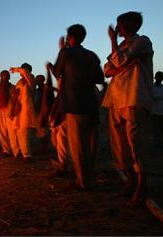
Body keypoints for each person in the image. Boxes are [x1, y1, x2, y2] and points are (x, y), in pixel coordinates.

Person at [101, 12, 153, 206]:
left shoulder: (142, 42)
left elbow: (117, 62)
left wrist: (114, 46)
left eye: (120, 24)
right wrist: (122, 66)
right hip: (115, 100)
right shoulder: (124, 47)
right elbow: (108, 69)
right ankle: (131, 181)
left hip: (134, 97)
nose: (117, 28)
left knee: (136, 143)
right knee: (120, 144)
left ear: (131, 25)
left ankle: (142, 185)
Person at [47, 24, 104, 190]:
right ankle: (88, 176)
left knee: (78, 146)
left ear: (70, 37)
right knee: (89, 144)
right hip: (91, 103)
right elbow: (100, 78)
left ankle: (83, 182)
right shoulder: (92, 55)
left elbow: (57, 73)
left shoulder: (66, 53)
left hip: (74, 104)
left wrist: (51, 66)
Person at [10, 63, 38, 161]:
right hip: (18, 110)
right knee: (18, 132)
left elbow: (24, 72)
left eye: (24, 70)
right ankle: (20, 153)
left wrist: (16, 69)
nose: (22, 72)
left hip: (26, 110)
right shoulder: (19, 82)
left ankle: (27, 155)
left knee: (24, 132)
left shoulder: (31, 80)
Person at [0, 70, 18, 158]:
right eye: (3, 75)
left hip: (9, 114)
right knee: (3, 134)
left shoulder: (12, 87)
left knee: (12, 134)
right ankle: (6, 151)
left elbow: (15, 100)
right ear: (1, 77)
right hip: (0, 114)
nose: (5, 77)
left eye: (6, 75)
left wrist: (13, 111)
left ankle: (16, 151)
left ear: (9, 77)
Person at [151, 71, 163, 148]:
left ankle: (162, 142)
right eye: (159, 77)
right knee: (155, 128)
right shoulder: (151, 87)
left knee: (162, 127)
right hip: (154, 111)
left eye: (161, 77)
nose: (160, 78)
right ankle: (156, 142)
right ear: (156, 77)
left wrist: (159, 98)